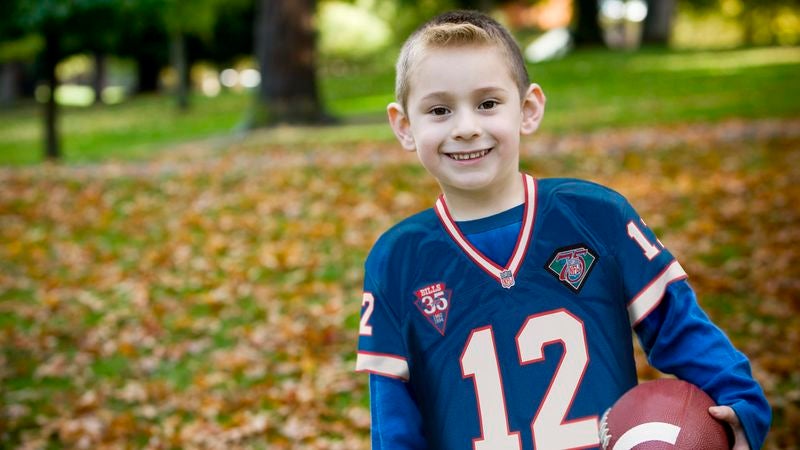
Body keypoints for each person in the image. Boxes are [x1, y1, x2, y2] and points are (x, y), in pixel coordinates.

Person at [355, 10, 770, 450]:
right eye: (439, 110)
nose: (467, 128)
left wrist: (740, 403)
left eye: (488, 104)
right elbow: (394, 421)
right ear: (404, 126)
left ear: (528, 108)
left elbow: (680, 326)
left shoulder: (597, 217)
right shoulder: (397, 260)